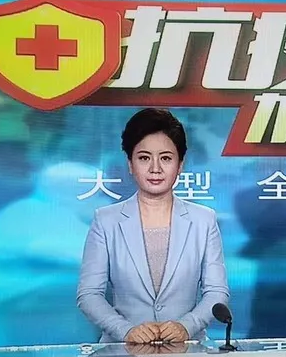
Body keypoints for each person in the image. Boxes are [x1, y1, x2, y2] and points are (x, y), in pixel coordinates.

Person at [77, 108, 229, 344]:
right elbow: (89, 294)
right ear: (130, 164)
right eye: (144, 158)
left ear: (180, 164)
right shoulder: (106, 221)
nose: (155, 168)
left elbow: (217, 292)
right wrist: (125, 330)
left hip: (186, 351)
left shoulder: (204, 220)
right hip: (121, 352)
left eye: (166, 158)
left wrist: (186, 326)